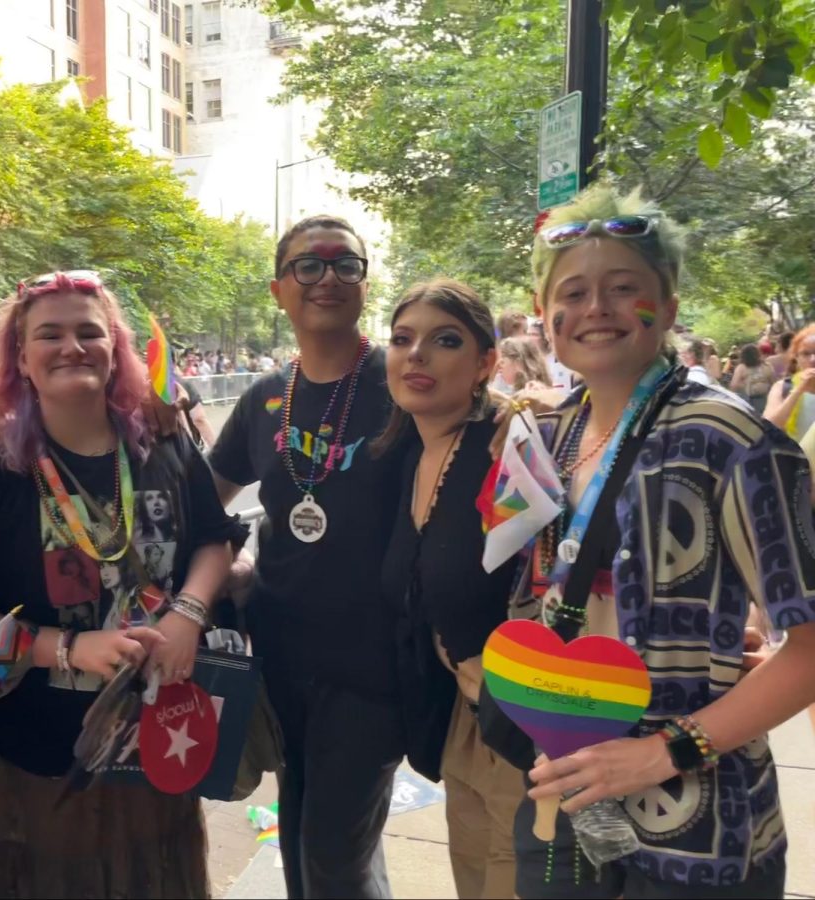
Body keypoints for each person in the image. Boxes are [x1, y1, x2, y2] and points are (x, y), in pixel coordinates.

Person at [504, 184, 815, 898]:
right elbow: (524, 588)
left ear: (668, 308)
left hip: (699, 833)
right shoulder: (546, 435)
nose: (597, 309)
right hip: (563, 799)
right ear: (546, 316)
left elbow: (809, 650)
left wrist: (663, 752)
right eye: (574, 291)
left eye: (624, 289)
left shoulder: (732, 441)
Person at [0, 271, 239, 898]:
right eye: (49, 334)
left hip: (159, 736)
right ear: (20, 357)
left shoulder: (161, 442)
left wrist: (187, 613)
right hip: (40, 757)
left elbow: (213, 539)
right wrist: (68, 649)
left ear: (115, 347)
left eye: (88, 331)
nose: (71, 346)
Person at [208, 215, 408, 899]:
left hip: (373, 664)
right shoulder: (266, 397)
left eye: (344, 264)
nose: (327, 277)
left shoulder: (402, 382)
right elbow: (208, 501)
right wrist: (230, 566)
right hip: (281, 657)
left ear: (363, 282)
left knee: (332, 856)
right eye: (308, 266)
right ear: (279, 289)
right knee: (301, 838)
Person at [377, 280, 525, 898]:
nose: (417, 355)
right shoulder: (407, 454)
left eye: (444, 341)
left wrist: (534, 409)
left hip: (526, 732)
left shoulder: (511, 449)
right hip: (465, 726)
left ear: (486, 363)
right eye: (402, 339)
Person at [729, 342, 774, 413]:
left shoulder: (741, 368)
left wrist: (745, 384)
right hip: (764, 399)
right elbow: (773, 383)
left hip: (747, 400)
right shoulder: (766, 366)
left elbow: (733, 385)